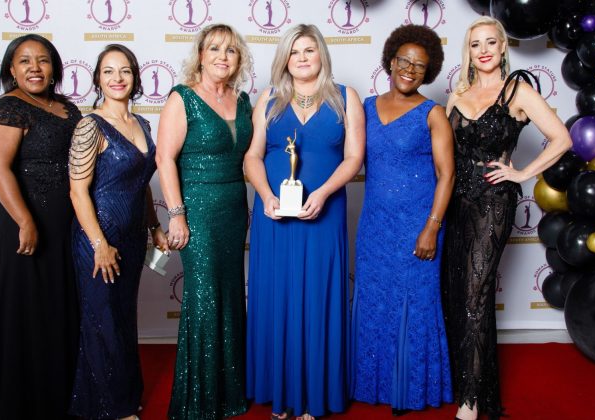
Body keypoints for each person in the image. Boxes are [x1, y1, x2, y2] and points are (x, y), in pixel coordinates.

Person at [442, 17, 572, 420]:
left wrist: (520, 173)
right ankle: (471, 384)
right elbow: (445, 157)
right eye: (475, 43)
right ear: (469, 51)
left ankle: (470, 403)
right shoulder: (457, 95)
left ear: (502, 48)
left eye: (490, 42)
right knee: (455, 294)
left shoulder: (518, 89)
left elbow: (562, 138)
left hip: (493, 202)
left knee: (476, 297)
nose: (483, 49)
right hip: (456, 202)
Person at [245, 24, 365, 420]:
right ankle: (281, 394)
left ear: (321, 55)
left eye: (309, 50)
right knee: (277, 298)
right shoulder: (269, 98)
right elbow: (252, 157)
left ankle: (314, 396)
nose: (301, 57)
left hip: (323, 215)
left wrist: (324, 192)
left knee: (318, 300)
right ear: (285, 58)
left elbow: (353, 159)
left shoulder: (346, 97)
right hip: (274, 216)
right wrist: (265, 195)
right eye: (294, 51)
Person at [350, 24, 454, 416]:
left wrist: (432, 226)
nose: (410, 69)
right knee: (376, 302)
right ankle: (370, 383)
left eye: (420, 66)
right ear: (391, 61)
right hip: (375, 225)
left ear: (429, 72)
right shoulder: (364, 108)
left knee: (415, 304)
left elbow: (447, 175)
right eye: (404, 61)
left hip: (417, 225)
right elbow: (344, 154)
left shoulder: (434, 113)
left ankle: (408, 390)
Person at [155, 23, 253, 420]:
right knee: (204, 296)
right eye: (214, 49)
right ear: (200, 54)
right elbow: (164, 160)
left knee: (230, 295)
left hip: (234, 208)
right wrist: (176, 215)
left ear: (239, 58)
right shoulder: (183, 99)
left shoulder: (243, 101)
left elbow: (250, 157)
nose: (222, 57)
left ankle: (231, 393)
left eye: (230, 50)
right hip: (196, 209)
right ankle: (199, 400)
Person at [67, 44, 169, 420]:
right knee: (102, 321)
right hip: (98, 238)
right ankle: (112, 408)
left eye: (124, 71)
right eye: (108, 72)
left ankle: (121, 394)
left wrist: (154, 226)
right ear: (97, 79)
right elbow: (77, 191)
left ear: (135, 77)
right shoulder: (89, 125)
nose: (117, 79)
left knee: (123, 318)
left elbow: (140, 184)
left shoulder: (141, 125)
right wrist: (98, 245)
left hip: (130, 237)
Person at [0, 34, 81, 419]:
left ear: (54, 67)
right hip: (23, 222)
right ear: (11, 69)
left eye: (42, 60)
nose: (34, 68)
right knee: (26, 308)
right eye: (24, 61)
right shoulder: (9, 107)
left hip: (64, 224)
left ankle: (61, 391)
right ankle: (25, 398)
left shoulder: (67, 108)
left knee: (57, 307)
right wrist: (25, 220)